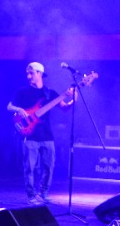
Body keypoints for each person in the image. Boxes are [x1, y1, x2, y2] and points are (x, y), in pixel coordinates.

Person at [6, 62, 74, 205]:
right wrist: (18, 109)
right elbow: (9, 106)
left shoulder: (50, 93)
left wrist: (73, 99)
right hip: (30, 135)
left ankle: (43, 193)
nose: (29, 76)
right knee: (29, 167)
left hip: (47, 135)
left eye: (32, 73)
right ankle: (31, 195)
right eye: (27, 73)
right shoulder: (23, 92)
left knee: (49, 166)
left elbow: (65, 108)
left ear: (40, 74)